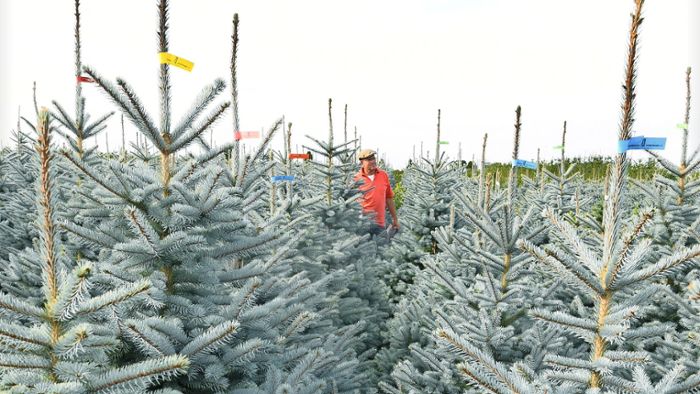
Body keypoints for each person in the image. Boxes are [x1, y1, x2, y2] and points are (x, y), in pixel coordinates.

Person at [354, 149, 400, 236]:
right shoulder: (356, 179)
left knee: (381, 247)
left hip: (380, 224)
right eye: (369, 160)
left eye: (373, 158)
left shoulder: (383, 175)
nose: (373, 161)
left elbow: (389, 198)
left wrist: (395, 219)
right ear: (361, 163)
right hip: (363, 224)